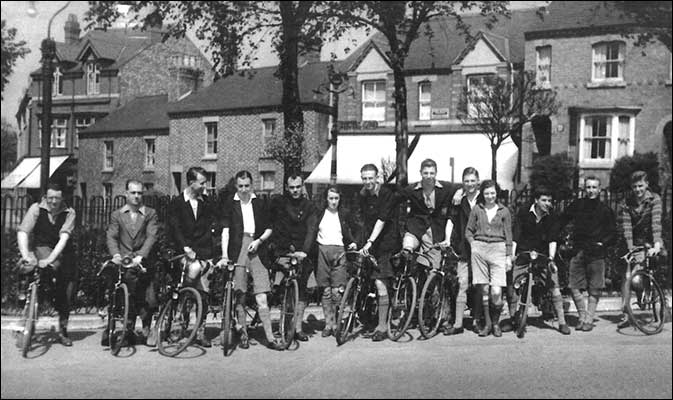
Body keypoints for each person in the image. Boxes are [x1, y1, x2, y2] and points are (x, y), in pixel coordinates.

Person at [218, 171, 283, 350]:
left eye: (247, 186)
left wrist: (259, 241)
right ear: (236, 186)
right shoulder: (230, 204)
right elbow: (225, 231)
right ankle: (243, 334)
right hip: (237, 249)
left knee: (262, 295)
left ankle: (270, 338)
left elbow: (270, 228)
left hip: (257, 249)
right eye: (241, 186)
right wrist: (225, 255)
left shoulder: (260, 203)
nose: (244, 190)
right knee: (240, 293)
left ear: (252, 185)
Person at [17, 182, 77, 346]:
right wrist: (25, 256)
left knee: (66, 295)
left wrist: (50, 260)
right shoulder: (36, 209)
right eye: (50, 197)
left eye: (57, 198)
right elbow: (23, 231)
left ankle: (63, 331)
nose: (53, 201)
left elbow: (63, 239)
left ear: (62, 197)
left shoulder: (69, 212)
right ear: (45, 197)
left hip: (63, 253)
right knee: (27, 269)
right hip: (42, 248)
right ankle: (27, 324)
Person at [167, 166, 220, 347]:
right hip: (184, 253)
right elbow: (174, 229)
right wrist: (185, 247)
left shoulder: (206, 202)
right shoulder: (177, 203)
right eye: (202, 183)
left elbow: (211, 229)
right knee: (190, 284)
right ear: (191, 183)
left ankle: (200, 331)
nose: (205, 186)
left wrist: (212, 254)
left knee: (203, 293)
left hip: (204, 254)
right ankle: (178, 325)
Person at [507, 186, 570, 335]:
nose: (547, 203)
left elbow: (552, 239)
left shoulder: (552, 217)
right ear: (536, 200)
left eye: (549, 200)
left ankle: (562, 322)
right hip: (524, 253)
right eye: (544, 200)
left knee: (554, 285)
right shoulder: (524, 212)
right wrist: (512, 256)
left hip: (542, 256)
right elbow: (516, 235)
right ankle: (512, 319)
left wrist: (551, 259)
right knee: (514, 283)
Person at [103, 179, 159, 346]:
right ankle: (127, 329)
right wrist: (116, 255)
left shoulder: (150, 213)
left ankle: (147, 328)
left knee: (149, 297)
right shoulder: (117, 215)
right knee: (126, 294)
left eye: (139, 193)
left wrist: (141, 256)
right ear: (126, 193)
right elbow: (112, 236)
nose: (136, 196)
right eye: (133, 192)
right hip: (126, 262)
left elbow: (152, 236)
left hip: (144, 262)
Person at [560, 176, 616, 332]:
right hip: (578, 250)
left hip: (597, 253)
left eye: (594, 187)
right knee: (573, 285)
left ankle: (589, 319)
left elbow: (613, 233)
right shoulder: (577, 205)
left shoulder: (605, 210)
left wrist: (602, 243)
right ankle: (582, 316)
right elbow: (562, 219)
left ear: (599, 189)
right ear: (584, 189)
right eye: (588, 187)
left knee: (595, 288)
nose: (591, 190)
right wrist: (558, 237)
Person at [269, 174, 318, 342]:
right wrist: (286, 248)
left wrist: (304, 251)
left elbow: (312, 228)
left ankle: (297, 328)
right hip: (285, 251)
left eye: (298, 187)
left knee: (303, 291)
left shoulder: (309, 206)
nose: (295, 190)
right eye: (292, 187)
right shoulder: (281, 203)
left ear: (302, 186)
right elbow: (278, 227)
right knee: (284, 289)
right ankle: (284, 326)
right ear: (287, 187)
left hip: (303, 253)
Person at [359, 164, 402, 342]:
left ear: (378, 177)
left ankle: (382, 326)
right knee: (366, 280)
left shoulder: (386, 195)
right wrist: (359, 242)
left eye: (371, 178)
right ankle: (370, 317)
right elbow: (362, 221)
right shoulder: (363, 196)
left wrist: (369, 242)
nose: (368, 182)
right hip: (372, 243)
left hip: (387, 243)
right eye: (365, 178)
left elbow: (381, 220)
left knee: (380, 282)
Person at [616, 170, 664, 329]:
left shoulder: (654, 200)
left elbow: (656, 224)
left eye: (641, 186)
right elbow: (627, 228)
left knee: (651, 274)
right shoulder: (626, 203)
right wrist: (630, 249)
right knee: (627, 278)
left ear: (647, 184)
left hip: (650, 241)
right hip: (632, 243)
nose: (638, 190)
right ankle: (625, 313)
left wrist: (656, 244)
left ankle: (658, 313)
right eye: (635, 186)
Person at [465, 180, 512, 337]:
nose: (490, 196)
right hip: (480, 250)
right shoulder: (477, 210)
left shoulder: (504, 211)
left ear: (496, 193)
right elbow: (468, 231)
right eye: (486, 193)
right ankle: (488, 324)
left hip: (498, 250)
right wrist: (474, 246)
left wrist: (508, 257)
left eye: (492, 193)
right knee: (484, 289)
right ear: (482, 194)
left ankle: (496, 322)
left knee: (496, 291)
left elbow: (508, 236)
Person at [314, 186, 357, 337]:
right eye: (331, 198)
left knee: (337, 291)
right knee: (325, 291)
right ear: (326, 199)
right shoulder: (320, 213)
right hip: (322, 252)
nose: (333, 202)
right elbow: (312, 231)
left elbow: (353, 229)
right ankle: (328, 324)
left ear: (340, 199)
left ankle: (337, 322)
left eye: (336, 198)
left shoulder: (344, 214)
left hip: (339, 252)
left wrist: (352, 242)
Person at [444, 167, 480, 335]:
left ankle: (477, 321)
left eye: (473, 181)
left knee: (480, 285)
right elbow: (451, 220)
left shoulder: (485, 198)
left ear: (478, 182)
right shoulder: (459, 200)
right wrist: (447, 238)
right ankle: (458, 324)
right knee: (463, 283)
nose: (470, 184)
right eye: (466, 181)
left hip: (482, 246)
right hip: (464, 248)